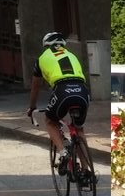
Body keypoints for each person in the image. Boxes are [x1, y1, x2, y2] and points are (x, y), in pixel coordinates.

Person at [27, 32, 92, 178]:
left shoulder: (42, 58)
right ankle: (86, 171)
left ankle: (63, 153)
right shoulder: (72, 55)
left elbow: (35, 87)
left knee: (50, 121)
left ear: (46, 45)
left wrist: (32, 106)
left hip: (62, 91)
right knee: (79, 129)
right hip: (82, 90)